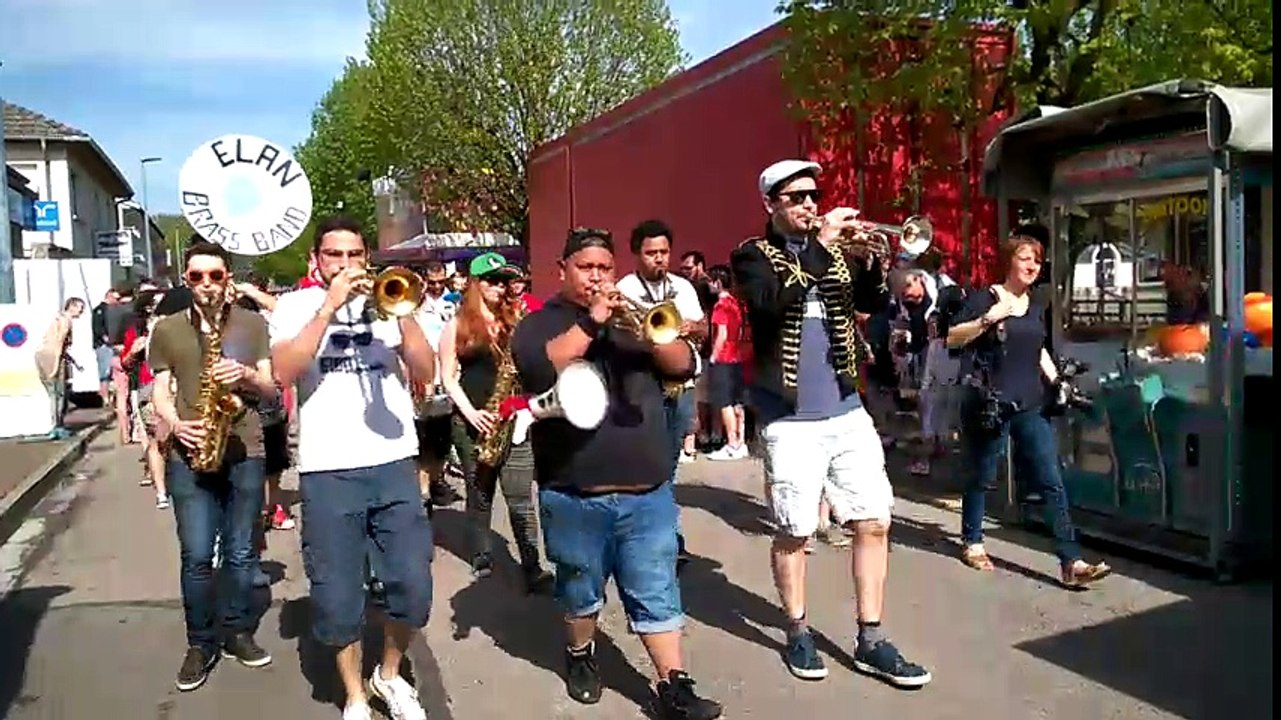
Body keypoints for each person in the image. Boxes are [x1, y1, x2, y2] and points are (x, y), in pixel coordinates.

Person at [730, 159, 930, 687]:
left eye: (814, 195)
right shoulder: (752, 255)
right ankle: (797, 629)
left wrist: (878, 263)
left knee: (874, 520)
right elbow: (773, 305)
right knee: (795, 531)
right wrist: (822, 243)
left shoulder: (835, 254)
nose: (810, 204)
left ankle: (871, 636)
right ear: (771, 203)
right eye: (796, 197)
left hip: (847, 409)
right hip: (789, 419)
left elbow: (871, 304)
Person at [510, 227, 722, 719]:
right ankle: (581, 653)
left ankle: (674, 685)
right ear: (561, 269)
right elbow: (545, 369)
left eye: (605, 268)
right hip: (574, 490)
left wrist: (655, 331)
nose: (598, 276)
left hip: (646, 490)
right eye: (586, 268)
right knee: (581, 593)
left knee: (656, 590)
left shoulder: (634, 320)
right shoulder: (540, 323)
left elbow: (683, 365)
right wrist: (593, 319)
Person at [270, 215, 437, 720]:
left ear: (367, 259)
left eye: (354, 256)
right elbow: (283, 371)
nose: (345, 265)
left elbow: (426, 374)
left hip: (392, 461)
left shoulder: (390, 300)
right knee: (338, 593)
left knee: (411, 584)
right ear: (316, 261)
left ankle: (388, 676)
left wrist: (403, 310)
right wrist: (329, 306)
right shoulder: (296, 306)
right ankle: (355, 696)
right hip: (328, 469)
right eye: (333, 256)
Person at [946, 229, 1112, 587]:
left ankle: (1072, 561)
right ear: (1008, 261)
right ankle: (972, 540)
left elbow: (1038, 351)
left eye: (1037, 260)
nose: (1032, 265)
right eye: (1025, 258)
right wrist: (989, 319)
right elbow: (952, 337)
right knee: (982, 474)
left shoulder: (1036, 307)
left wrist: (1057, 383)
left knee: (1050, 479)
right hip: (990, 401)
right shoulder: (985, 297)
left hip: (1029, 403)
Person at [148, 241, 278, 692]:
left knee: (242, 552)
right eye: (197, 277)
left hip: (244, 448)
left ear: (228, 280)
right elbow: (159, 390)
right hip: (192, 449)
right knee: (198, 554)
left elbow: (271, 387)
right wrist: (174, 423)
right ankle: (201, 642)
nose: (206, 285)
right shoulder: (166, 328)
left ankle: (238, 630)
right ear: (187, 281)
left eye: (215, 276)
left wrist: (244, 376)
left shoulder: (251, 323)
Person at [437, 251, 551, 590]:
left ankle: (532, 566)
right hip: (471, 421)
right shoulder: (456, 324)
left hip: (513, 420)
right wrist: (470, 412)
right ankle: (482, 555)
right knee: (480, 494)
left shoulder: (517, 320)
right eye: (492, 280)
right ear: (474, 283)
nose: (500, 287)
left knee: (520, 497)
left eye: (504, 281)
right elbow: (447, 377)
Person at [616, 219, 707, 565]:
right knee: (647, 462)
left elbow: (703, 328)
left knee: (668, 463)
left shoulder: (682, 287)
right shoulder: (626, 289)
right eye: (651, 253)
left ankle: (664, 533)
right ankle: (660, 535)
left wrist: (692, 327)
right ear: (637, 254)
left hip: (681, 386)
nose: (659, 259)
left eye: (664, 252)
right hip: (646, 386)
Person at [412, 261, 462, 509]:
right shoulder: (415, 302)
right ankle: (423, 491)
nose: (436, 287)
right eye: (431, 283)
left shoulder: (454, 302)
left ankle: (436, 480)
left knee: (442, 437)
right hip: (424, 375)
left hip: (449, 374)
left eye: (440, 282)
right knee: (424, 435)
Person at [122, 290, 169, 507]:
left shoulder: (180, 325)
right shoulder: (137, 330)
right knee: (155, 440)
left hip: (178, 385)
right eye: (157, 303)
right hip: (148, 387)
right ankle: (161, 491)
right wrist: (133, 351)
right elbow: (126, 363)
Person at [703, 265, 751, 460]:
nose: (708, 285)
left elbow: (721, 334)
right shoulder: (736, 303)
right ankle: (741, 442)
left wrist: (713, 357)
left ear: (718, 282)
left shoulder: (720, 306)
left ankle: (732, 443)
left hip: (724, 358)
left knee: (724, 403)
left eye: (710, 281)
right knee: (737, 402)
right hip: (737, 356)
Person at [35, 297, 86, 438]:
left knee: (53, 393)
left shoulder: (58, 318)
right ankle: (57, 426)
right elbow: (59, 343)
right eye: (80, 308)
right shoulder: (66, 321)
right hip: (53, 357)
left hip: (42, 354)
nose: (81, 312)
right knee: (59, 393)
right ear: (72, 306)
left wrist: (74, 363)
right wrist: (56, 365)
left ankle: (56, 425)